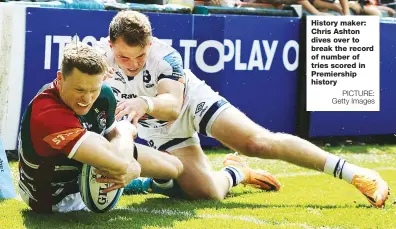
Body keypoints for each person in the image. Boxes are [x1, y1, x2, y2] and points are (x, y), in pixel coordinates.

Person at [99, 10, 390, 208]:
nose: (134, 64)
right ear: (110, 45)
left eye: (141, 55)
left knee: (257, 142)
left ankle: (356, 173)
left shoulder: (166, 56)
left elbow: (173, 106)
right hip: (159, 129)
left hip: (191, 103)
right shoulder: (98, 60)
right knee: (208, 194)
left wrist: (144, 102)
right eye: (125, 58)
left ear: (149, 44)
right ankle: (236, 173)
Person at [17, 42, 183, 214]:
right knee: (118, 155)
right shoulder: (48, 113)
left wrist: (124, 156)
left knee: (175, 167)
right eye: (79, 89)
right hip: (53, 199)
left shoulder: (104, 94)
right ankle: (131, 183)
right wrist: (126, 131)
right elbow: (120, 162)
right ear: (60, 78)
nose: (87, 98)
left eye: (93, 89)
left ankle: (152, 185)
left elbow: (113, 139)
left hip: (91, 160)